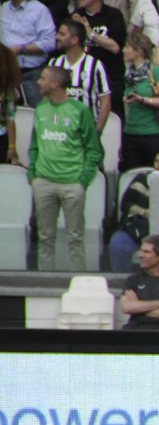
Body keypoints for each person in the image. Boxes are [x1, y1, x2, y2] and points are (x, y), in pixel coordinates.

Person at [29, 65, 103, 271]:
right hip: (43, 181)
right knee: (44, 237)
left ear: (55, 83)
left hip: (72, 183)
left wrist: (83, 181)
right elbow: (34, 145)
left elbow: (94, 148)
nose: (38, 82)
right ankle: (43, 285)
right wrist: (33, 175)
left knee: (75, 238)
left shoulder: (80, 111)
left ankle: (78, 284)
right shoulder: (41, 109)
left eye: (42, 78)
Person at [69, 0, 127, 113]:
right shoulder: (77, 15)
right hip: (84, 77)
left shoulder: (113, 15)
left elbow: (115, 47)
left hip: (110, 76)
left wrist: (90, 33)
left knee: (113, 117)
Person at [2, 0, 55, 106]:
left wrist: (21, 49)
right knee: (7, 113)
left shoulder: (40, 11)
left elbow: (49, 43)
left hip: (30, 75)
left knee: (35, 112)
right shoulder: (4, 8)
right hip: (6, 73)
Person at [49, 20, 111, 131]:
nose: (57, 37)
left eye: (62, 34)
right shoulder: (54, 64)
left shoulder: (95, 65)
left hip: (85, 131)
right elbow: (46, 97)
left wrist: (98, 132)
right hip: (58, 131)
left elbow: (105, 101)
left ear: (74, 39)